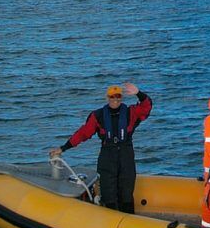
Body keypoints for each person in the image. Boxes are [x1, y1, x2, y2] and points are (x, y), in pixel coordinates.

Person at [53, 83, 151, 213]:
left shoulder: (131, 112)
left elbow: (147, 106)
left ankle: (128, 222)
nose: (115, 100)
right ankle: (109, 224)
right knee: (109, 195)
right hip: (107, 157)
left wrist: (138, 93)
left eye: (118, 97)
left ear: (121, 98)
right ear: (107, 98)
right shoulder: (97, 116)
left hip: (126, 156)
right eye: (112, 97)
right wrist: (63, 148)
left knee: (126, 195)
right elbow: (83, 133)